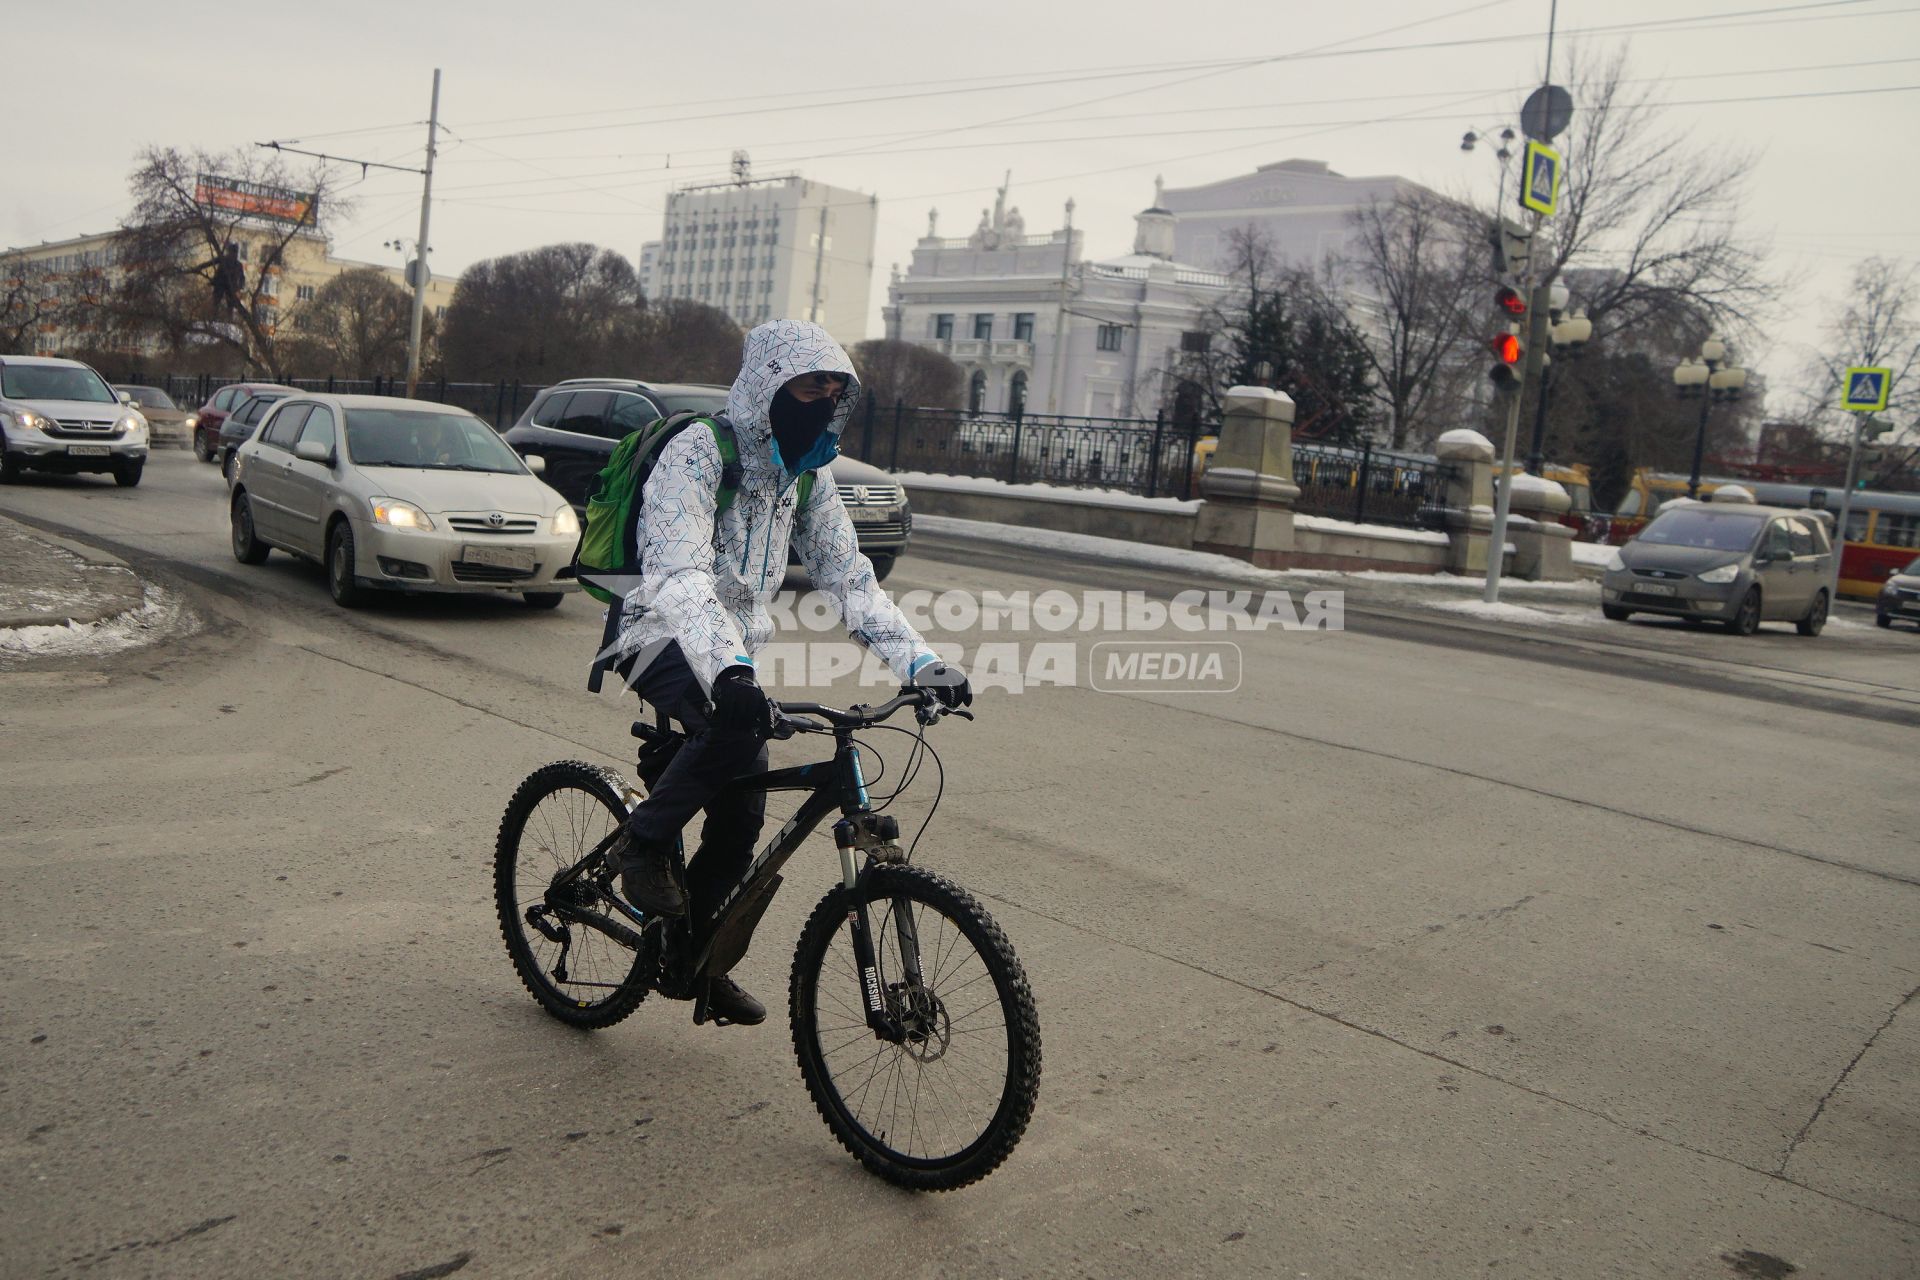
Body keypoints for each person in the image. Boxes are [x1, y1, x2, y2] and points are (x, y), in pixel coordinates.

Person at [604, 319, 970, 1026]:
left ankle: (695, 962)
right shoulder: (700, 452)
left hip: (730, 651)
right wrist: (733, 676)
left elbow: (849, 579)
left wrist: (923, 663)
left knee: (741, 823)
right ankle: (640, 841)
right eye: (808, 386)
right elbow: (678, 575)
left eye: (833, 391)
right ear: (768, 385)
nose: (821, 401)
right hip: (655, 630)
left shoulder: (806, 477)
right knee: (734, 737)